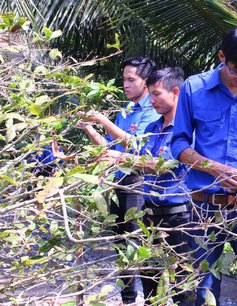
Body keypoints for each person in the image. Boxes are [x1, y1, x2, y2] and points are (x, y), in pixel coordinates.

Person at [170, 27, 237, 305]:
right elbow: (179, 144)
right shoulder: (194, 88)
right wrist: (214, 168)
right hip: (204, 205)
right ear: (221, 57)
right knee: (203, 291)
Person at [97, 67, 193, 305]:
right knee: (150, 286)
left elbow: (165, 165)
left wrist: (120, 158)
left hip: (178, 216)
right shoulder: (151, 130)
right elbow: (139, 161)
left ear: (175, 92)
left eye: (157, 94)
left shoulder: (187, 130)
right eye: (150, 94)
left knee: (184, 287)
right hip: (149, 214)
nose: (152, 100)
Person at [79, 56, 160, 305]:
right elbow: (111, 148)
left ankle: (150, 299)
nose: (125, 84)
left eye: (130, 79)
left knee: (139, 245)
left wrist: (104, 121)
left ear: (145, 82)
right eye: (123, 79)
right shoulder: (125, 111)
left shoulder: (152, 110)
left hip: (140, 182)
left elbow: (137, 146)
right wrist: (91, 129)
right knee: (120, 244)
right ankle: (127, 300)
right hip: (119, 183)